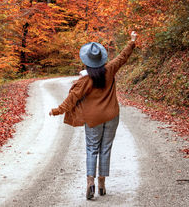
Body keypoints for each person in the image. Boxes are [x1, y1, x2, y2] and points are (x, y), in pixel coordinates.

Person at [49, 31, 137, 200]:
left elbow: (71, 99)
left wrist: (56, 111)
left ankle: (90, 182)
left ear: (87, 61)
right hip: (112, 116)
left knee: (92, 149)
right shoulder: (110, 69)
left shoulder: (85, 80)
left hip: (93, 119)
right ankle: (102, 184)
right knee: (106, 149)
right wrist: (132, 41)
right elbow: (122, 57)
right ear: (101, 59)